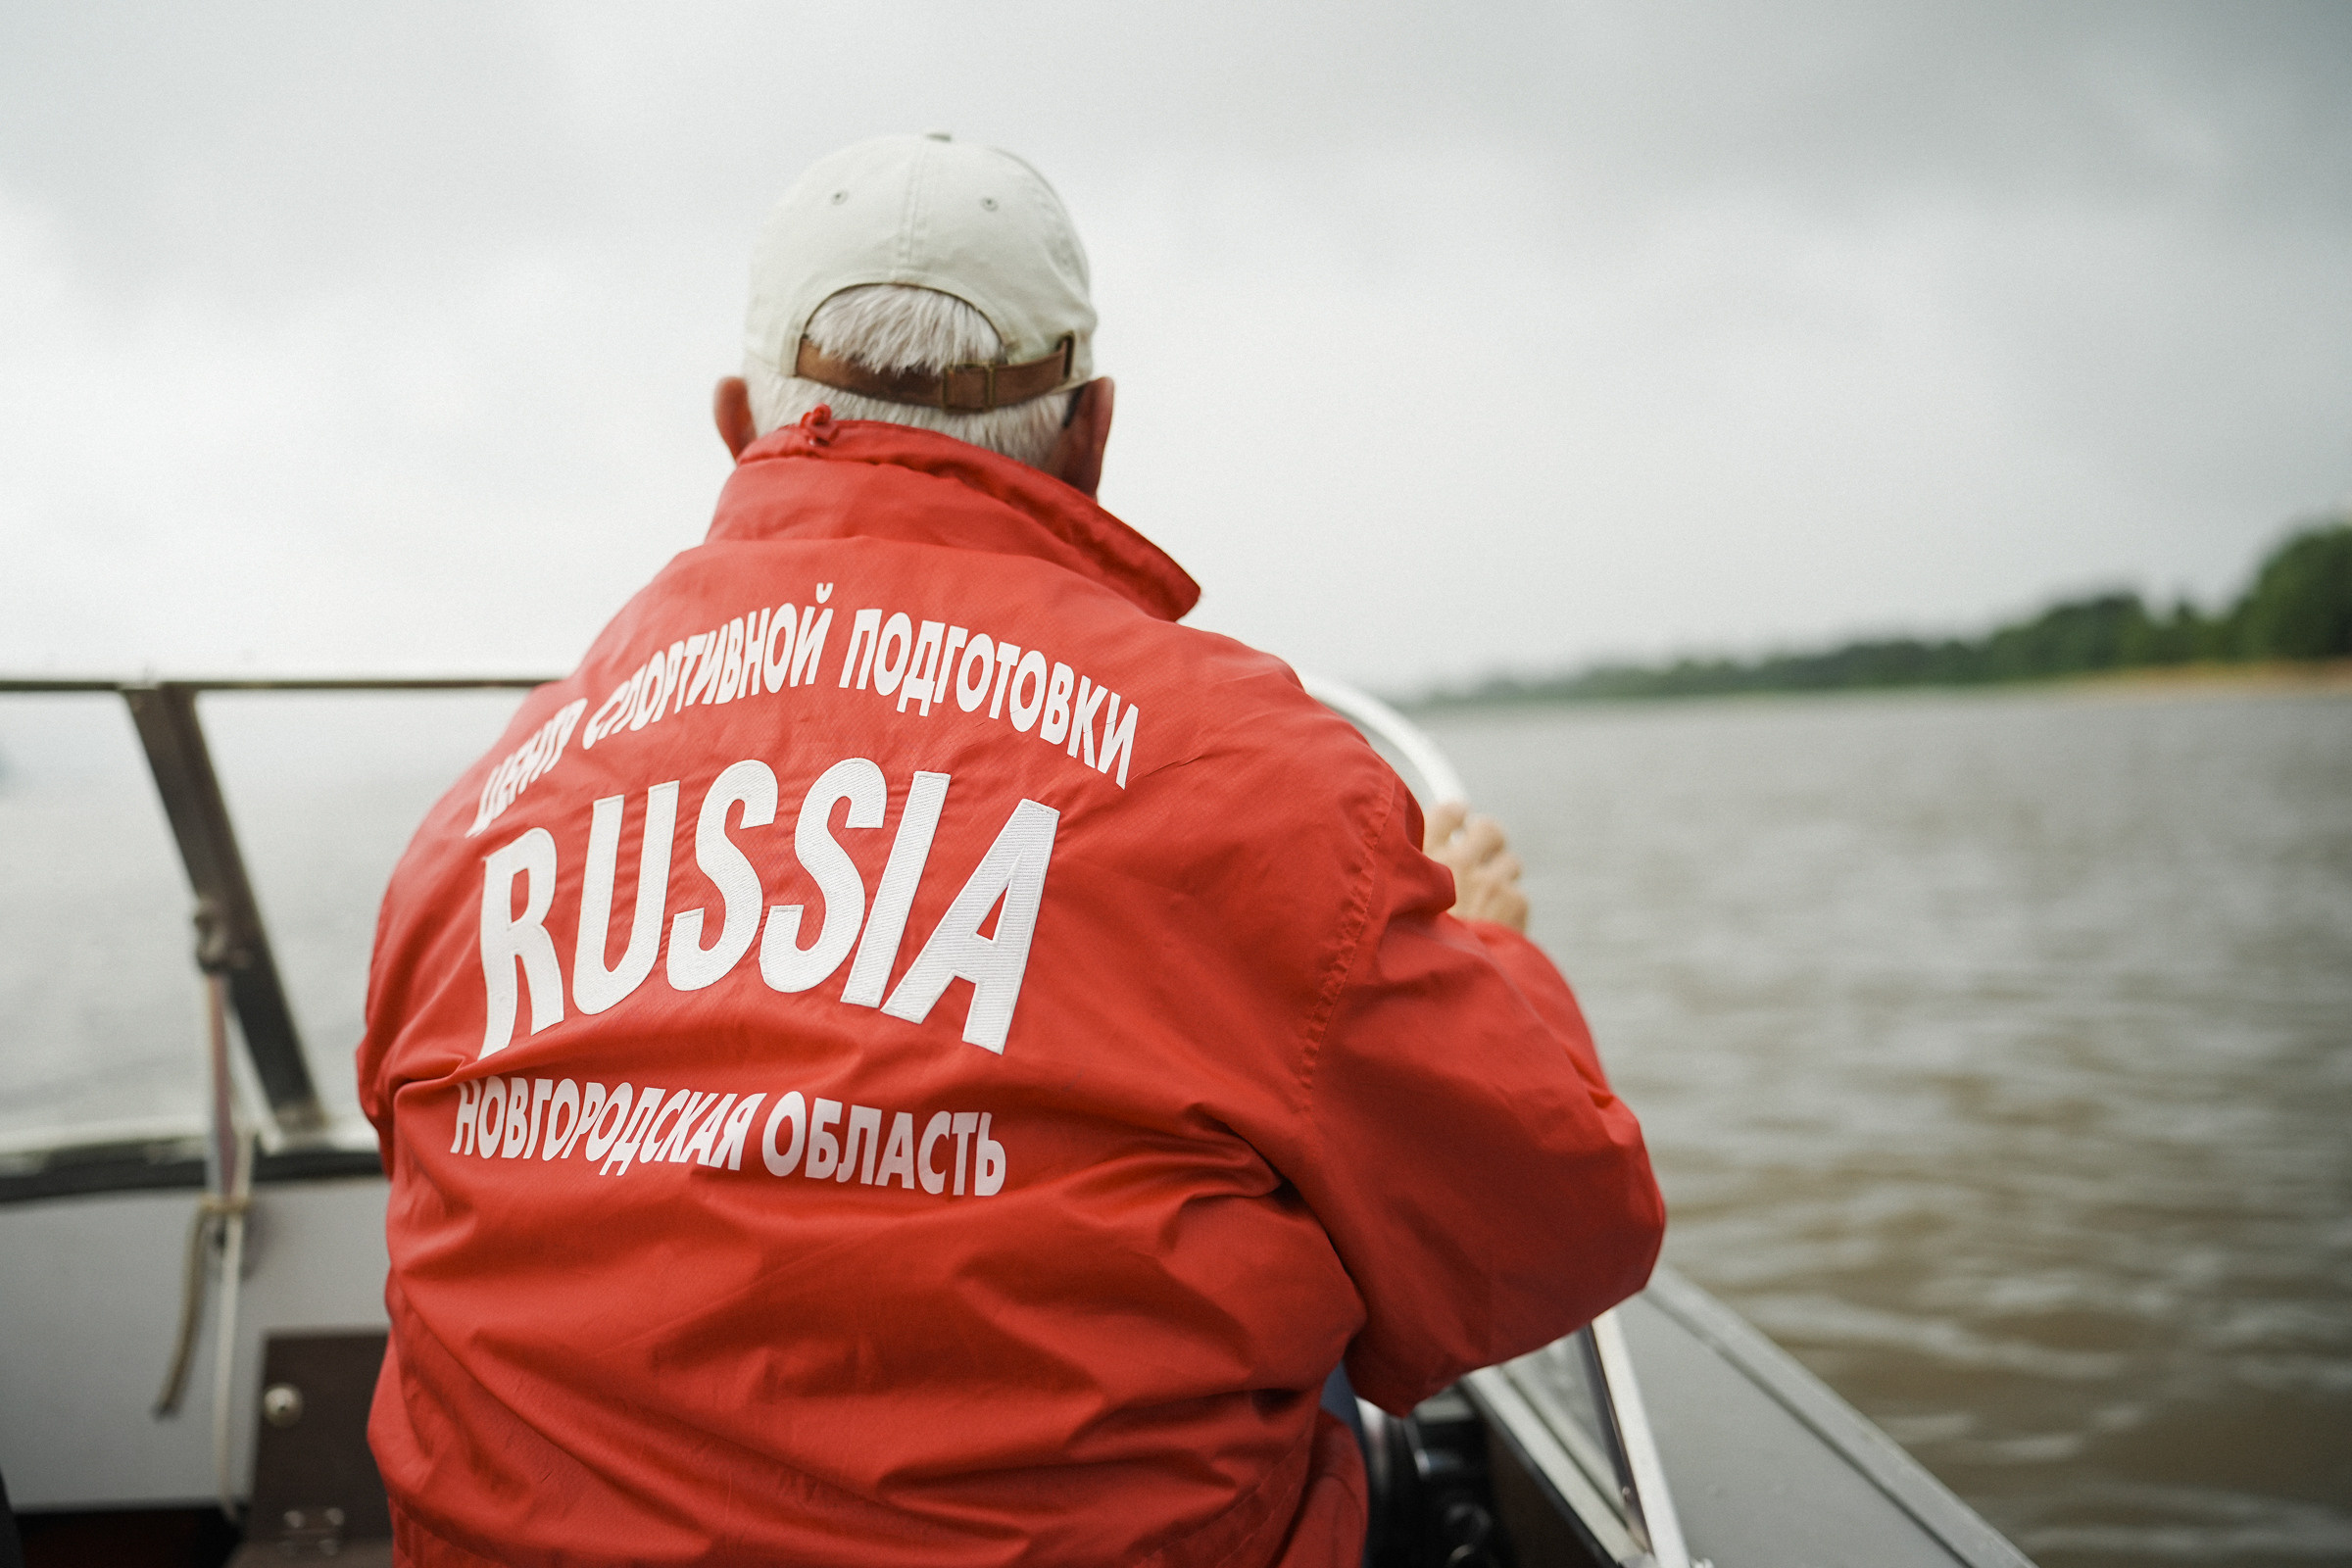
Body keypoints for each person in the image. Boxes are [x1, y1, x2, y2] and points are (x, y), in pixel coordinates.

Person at [357, 132, 1662, 1568]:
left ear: (740, 422)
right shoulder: (1261, 792)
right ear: (1091, 434)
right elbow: (1551, 1226)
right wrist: (1484, 951)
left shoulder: (471, 827)